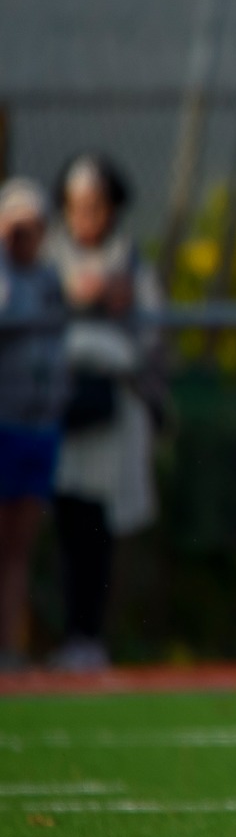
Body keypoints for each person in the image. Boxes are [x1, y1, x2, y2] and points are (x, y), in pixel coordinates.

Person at [44, 154, 163, 672]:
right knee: (58, 527)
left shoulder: (133, 266)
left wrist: (120, 306)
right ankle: (50, 637)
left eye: (96, 207)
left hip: (111, 417)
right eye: (76, 208)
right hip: (54, 411)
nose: (86, 219)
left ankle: (92, 637)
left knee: (103, 530)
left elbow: (151, 339)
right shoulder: (44, 262)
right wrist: (70, 299)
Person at [0, 180, 68, 670]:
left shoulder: (48, 279)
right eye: (15, 225)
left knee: (19, 549)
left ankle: (11, 648)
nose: (26, 235)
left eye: (35, 226)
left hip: (38, 427)